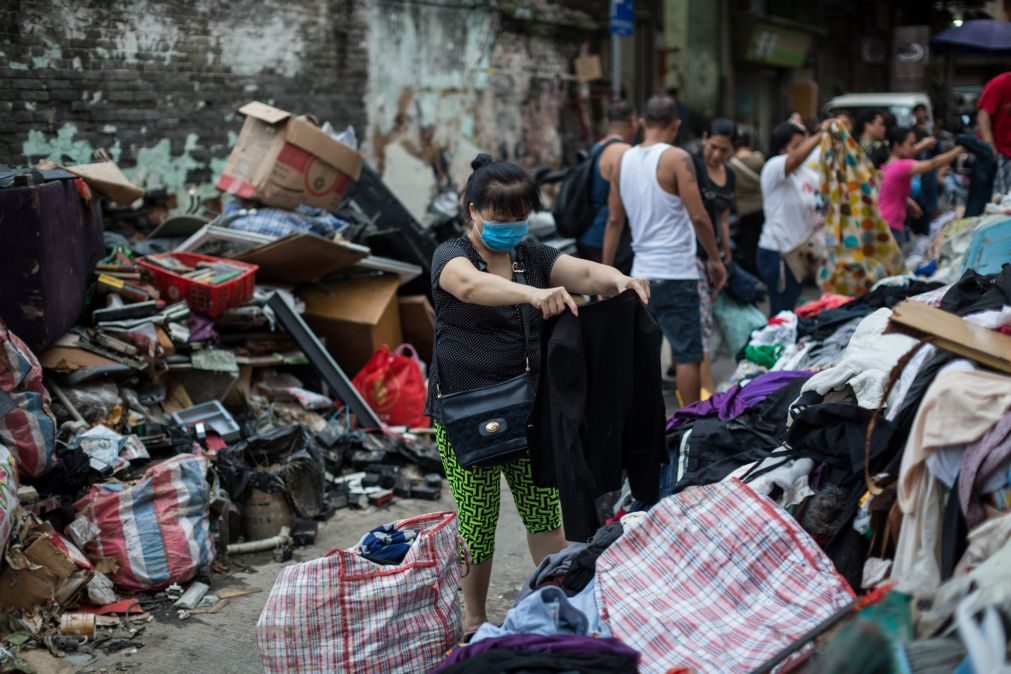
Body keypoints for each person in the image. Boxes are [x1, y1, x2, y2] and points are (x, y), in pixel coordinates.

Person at [428, 154, 650, 636]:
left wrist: (620, 279)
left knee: (543, 510)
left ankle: (556, 602)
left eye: (518, 219)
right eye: (500, 219)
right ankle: (473, 616)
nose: (510, 228)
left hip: (528, 408)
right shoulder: (450, 256)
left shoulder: (532, 255)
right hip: (466, 410)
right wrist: (531, 296)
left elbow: (584, 273)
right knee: (477, 520)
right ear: (473, 211)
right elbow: (469, 287)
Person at [602, 94, 727, 406]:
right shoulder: (677, 158)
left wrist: (604, 275)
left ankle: (643, 424)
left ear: (643, 122)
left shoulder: (622, 160)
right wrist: (714, 258)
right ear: (676, 125)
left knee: (643, 355)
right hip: (677, 273)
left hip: (640, 275)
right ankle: (688, 422)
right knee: (688, 355)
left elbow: (615, 221)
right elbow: (698, 216)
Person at [755, 120, 830, 316]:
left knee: (789, 308)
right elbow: (795, 159)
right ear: (782, 147)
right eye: (797, 145)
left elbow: (828, 189)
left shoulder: (806, 175)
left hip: (799, 254)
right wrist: (821, 134)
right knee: (781, 311)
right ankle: (775, 345)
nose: (803, 150)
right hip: (777, 252)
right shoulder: (774, 167)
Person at [691, 118, 737, 394]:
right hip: (693, 254)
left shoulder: (728, 175)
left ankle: (696, 379)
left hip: (714, 255)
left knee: (705, 320)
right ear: (705, 138)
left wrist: (725, 256)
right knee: (701, 322)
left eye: (724, 150)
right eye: (714, 147)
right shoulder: (692, 166)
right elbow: (695, 215)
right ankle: (704, 388)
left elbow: (722, 219)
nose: (717, 154)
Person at [577, 100, 637, 273]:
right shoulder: (625, 152)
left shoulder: (597, 147)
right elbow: (615, 216)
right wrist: (607, 266)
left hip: (587, 235)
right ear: (633, 122)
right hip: (607, 241)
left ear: (607, 122)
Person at [879, 126, 963, 244]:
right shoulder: (901, 166)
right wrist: (959, 150)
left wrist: (909, 203)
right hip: (891, 225)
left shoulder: (889, 165)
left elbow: (891, 192)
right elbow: (932, 164)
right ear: (897, 146)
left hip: (885, 222)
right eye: (911, 144)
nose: (914, 148)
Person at [978, 70, 1011, 196]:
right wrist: (989, 145)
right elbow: (983, 114)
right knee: (1001, 196)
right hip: (1001, 151)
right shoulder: (1000, 83)